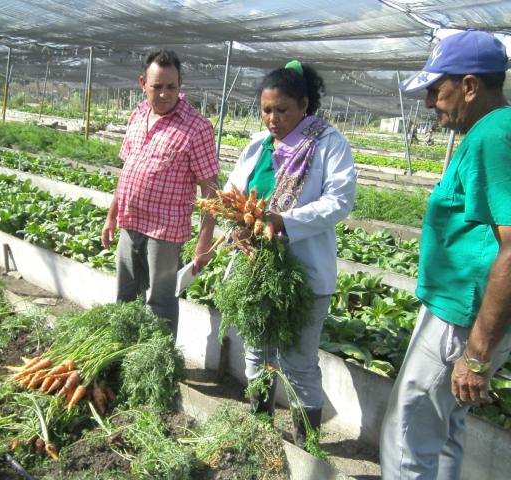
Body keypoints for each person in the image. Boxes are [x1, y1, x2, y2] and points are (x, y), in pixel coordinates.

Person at [380, 30, 511, 479]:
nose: (430, 102)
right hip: (462, 311)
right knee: (447, 429)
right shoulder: (492, 131)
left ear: (470, 86)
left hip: (462, 318)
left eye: (437, 90)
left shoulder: (492, 136)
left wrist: (476, 352)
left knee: (407, 434)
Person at [224, 60, 356, 445]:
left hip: (303, 274)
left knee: (298, 362)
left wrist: (285, 221)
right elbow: (233, 194)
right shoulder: (257, 146)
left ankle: (306, 447)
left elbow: (340, 200)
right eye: (266, 110)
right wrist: (238, 229)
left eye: (282, 110)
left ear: (303, 105)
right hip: (255, 270)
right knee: (256, 354)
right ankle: (260, 434)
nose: (272, 118)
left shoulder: (328, 143)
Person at [101, 50, 219, 337]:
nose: (164, 94)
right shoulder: (138, 115)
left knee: (160, 304)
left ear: (180, 85)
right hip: (130, 223)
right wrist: (111, 217)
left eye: (171, 87)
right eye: (157, 87)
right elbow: (127, 172)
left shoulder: (196, 127)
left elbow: (210, 191)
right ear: (143, 83)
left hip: (165, 232)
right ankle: (121, 356)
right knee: (125, 297)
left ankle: (156, 364)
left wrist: (204, 244)